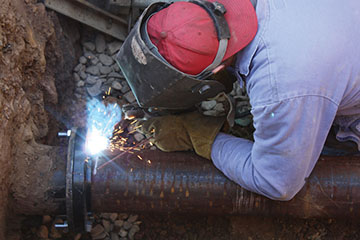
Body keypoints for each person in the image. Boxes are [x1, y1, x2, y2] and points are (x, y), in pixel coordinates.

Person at [117, 0, 360, 200]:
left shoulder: (281, 85)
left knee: (307, 154)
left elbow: (277, 183)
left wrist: (198, 136)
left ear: (216, 69)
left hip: (313, 73)